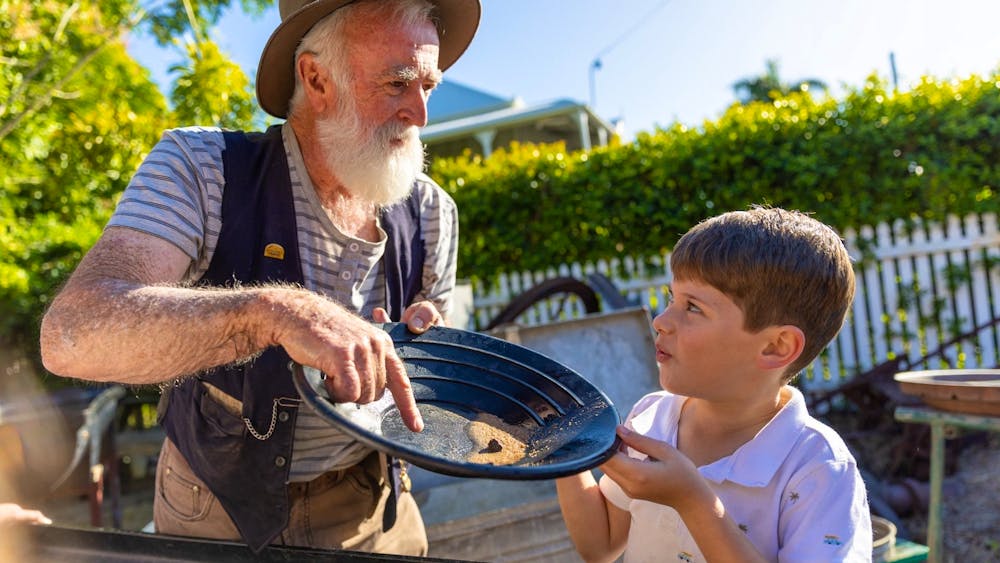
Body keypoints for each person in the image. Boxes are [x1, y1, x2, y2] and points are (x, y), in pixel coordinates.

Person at [39, 0, 480, 555]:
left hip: (373, 509)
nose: (420, 112)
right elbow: (72, 335)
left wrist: (424, 347)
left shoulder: (433, 212)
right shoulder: (201, 169)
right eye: (396, 83)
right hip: (213, 504)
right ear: (316, 79)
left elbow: (427, 373)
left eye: (428, 86)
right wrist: (274, 314)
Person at [556, 207, 872, 562]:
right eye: (671, 298)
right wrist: (567, 445)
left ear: (775, 347)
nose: (661, 320)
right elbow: (601, 545)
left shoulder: (817, 468)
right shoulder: (652, 417)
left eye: (692, 307)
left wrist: (692, 501)